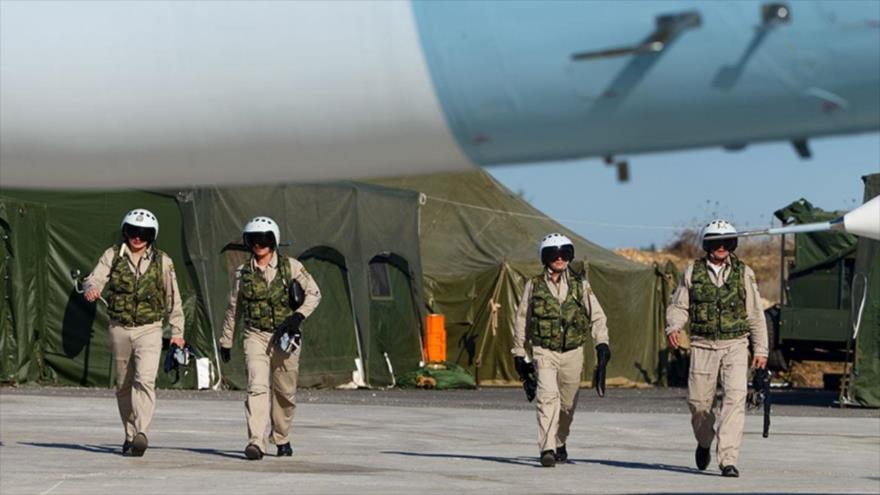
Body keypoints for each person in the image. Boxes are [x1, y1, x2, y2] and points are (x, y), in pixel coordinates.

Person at [666, 219, 768, 478]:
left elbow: (755, 313)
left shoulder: (744, 273)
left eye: (727, 243)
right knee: (699, 404)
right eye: (716, 242)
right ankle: (704, 441)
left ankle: (728, 459)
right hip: (702, 345)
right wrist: (674, 327)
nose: (722, 247)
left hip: (735, 345)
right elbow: (679, 305)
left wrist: (761, 350)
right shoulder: (692, 272)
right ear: (707, 245)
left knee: (734, 400)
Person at [83, 208, 185, 457]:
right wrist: (92, 288)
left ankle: (142, 432)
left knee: (145, 379)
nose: (137, 237)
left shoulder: (163, 261)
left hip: (149, 328)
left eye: (143, 233)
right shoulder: (113, 255)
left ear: (152, 235)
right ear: (125, 232)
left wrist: (178, 332)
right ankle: (129, 435)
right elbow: (93, 279)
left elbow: (174, 299)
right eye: (132, 231)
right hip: (119, 328)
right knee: (123, 384)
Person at [218, 216, 321, 460]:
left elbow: (314, 294)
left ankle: (282, 437)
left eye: (264, 239)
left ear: (273, 241)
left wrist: (298, 317)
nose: (258, 244)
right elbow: (234, 308)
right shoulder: (243, 273)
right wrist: (226, 340)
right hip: (255, 335)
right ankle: (256, 441)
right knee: (257, 387)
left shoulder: (292, 267)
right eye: (253, 239)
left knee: (285, 392)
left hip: (286, 337)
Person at [511, 233, 611, 467]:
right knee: (547, 398)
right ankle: (547, 448)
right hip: (544, 351)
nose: (559, 258)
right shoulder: (533, 285)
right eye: (553, 254)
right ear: (545, 258)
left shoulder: (581, 285)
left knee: (567, 405)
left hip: (573, 352)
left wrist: (602, 344)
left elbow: (597, 317)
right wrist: (518, 352)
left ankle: (559, 440)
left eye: (564, 253)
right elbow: (522, 319)